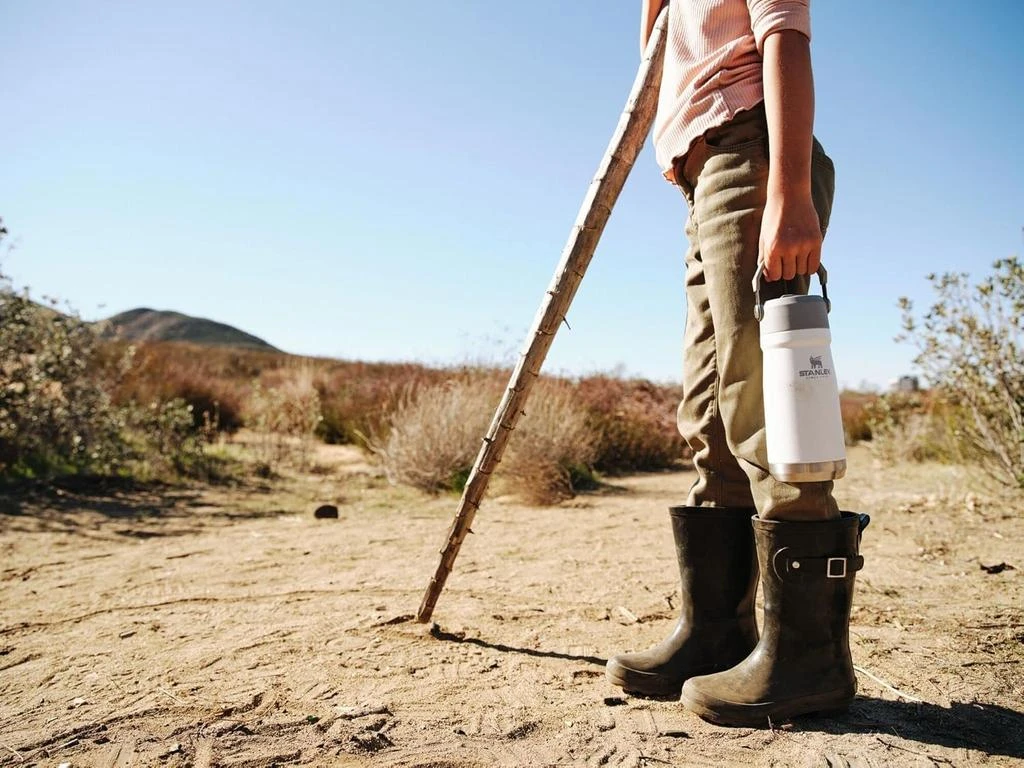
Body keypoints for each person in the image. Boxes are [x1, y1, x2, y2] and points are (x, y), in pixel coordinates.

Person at [605, 0, 868, 727]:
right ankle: (718, 632)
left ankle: (810, 660)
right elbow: (662, 64)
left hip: (753, 153)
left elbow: (785, 37)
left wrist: (787, 191)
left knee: (765, 407)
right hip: (703, 178)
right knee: (710, 411)